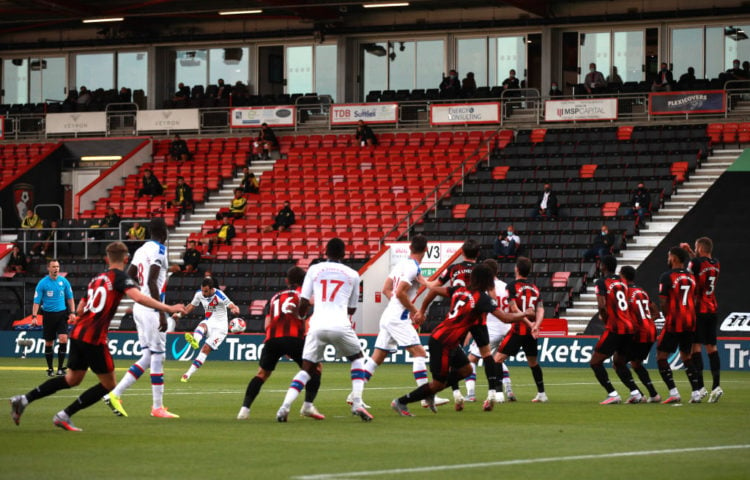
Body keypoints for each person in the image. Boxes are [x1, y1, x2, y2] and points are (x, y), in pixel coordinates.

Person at [10, 241, 185, 432]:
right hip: (94, 338)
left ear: (106, 258)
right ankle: (64, 414)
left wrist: (84, 316)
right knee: (109, 384)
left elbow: (81, 306)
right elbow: (140, 298)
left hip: (77, 333)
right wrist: (168, 308)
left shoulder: (97, 278)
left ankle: (24, 400)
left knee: (72, 379)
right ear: (126, 259)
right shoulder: (121, 278)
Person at [391, 264, 533, 417]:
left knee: (466, 370)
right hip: (443, 342)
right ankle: (401, 401)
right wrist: (525, 313)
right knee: (437, 383)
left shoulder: (458, 290)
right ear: (487, 281)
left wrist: (424, 295)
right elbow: (505, 318)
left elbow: (435, 290)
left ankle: (431, 392)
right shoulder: (482, 299)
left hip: (445, 339)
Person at [275, 238, 373, 422]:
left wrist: (301, 316)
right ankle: (358, 402)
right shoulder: (352, 274)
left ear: (325, 251)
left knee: (306, 369)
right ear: (344, 254)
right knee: (357, 359)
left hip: (317, 324)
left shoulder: (314, 269)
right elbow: (352, 309)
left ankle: (284, 407)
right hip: (340, 324)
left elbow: (304, 302)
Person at [358, 235, 449, 410]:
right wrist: (415, 311)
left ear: (410, 248)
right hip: (397, 319)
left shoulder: (403, 265)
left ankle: (354, 395)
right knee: (420, 353)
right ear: (426, 250)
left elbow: (387, 289)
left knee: (377, 358)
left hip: (389, 315)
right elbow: (400, 293)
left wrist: (398, 304)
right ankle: (426, 396)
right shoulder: (412, 268)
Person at [103, 218, 179, 418]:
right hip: (152, 309)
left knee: (148, 356)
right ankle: (157, 407)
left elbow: (130, 274)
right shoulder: (160, 250)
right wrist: (162, 312)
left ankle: (115, 394)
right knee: (158, 357)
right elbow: (153, 280)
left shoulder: (141, 249)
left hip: (139, 307)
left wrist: (139, 294)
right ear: (164, 232)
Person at [237, 266, 324, 420]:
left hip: (272, 339)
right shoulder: (303, 297)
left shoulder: (274, 298)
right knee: (315, 368)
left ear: (286, 281)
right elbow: (304, 323)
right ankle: (308, 406)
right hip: (293, 338)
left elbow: (266, 325)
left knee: (262, 374)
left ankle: (244, 410)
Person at [493, 256, 548, 403]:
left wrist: (530, 325)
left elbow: (514, 308)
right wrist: (535, 325)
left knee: (497, 359)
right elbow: (541, 310)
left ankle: (499, 394)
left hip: (518, 330)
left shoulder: (511, 286)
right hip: (531, 332)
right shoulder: (535, 288)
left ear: (516, 269)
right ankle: (542, 393)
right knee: (533, 362)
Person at [590, 256, 642, 405]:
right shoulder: (623, 282)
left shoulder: (601, 282)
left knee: (595, 362)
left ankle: (612, 394)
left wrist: (606, 319)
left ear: (604, 266)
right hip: (629, 328)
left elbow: (601, 305)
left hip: (615, 327)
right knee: (619, 362)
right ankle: (636, 393)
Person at [464, 259, 516, 403]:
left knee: (471, 360)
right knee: (496, 359)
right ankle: (509, 389)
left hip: (491, 329)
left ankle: (471, 393)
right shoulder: (506, 286)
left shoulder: (485, 288)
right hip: (506, 329)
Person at [655, 246, 702, 404]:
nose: (668, 259)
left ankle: (674, 392)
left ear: (674, 258)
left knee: (661, 356)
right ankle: (696, 393)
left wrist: (669, 317)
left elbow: (663, 301)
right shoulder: (691, 277)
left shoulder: (666, 276)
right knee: (686, 356)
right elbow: (694, 300)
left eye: (669, 256)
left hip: (675, 321)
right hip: (690, 321)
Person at [175, 277, 241, 382]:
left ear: (211, 289)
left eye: (205, 291)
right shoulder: (199, 294)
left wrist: (235, 309)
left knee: (205, 349)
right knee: (202, 326)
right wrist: (178, 315)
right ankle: (195, 341)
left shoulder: (219, 295)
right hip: (209, 321)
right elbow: (190, 308)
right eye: (202, 290)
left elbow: (231, 305)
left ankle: (187, 374)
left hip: (221, 328)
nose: (203, 293)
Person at [681, 237, 722, 403]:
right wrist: (691, 252)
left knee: (695, 347)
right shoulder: (716, 263)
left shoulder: (695, 264)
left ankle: (701, 387)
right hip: (712, 308)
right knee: (712, 347)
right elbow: (700, 264)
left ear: (700, 248)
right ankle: (716, 386)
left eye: (696, 248)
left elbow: (691, 276)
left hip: (698, 309)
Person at [620, 265, 661, 403]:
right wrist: (648, 321)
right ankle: (654, 395)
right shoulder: (641, 291)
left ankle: (637, 395)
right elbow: (656, 312)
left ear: (623, 277)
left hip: (640, 333)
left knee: (618, 363)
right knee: (636, 363)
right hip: (651, 331)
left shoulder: (624, 292)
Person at [32, 259, 76, 377]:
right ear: (48, 268)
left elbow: (70, 298)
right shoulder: (42, 283)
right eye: (53, 267)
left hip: (62, 314)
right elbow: (36, 301)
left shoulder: (64, 282)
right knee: (49, 342)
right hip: (48, 315)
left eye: (57, 267)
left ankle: (61, 368)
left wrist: (72, 312)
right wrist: (34, 316)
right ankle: (50, 368)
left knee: (63, 339)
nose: (56, 269)